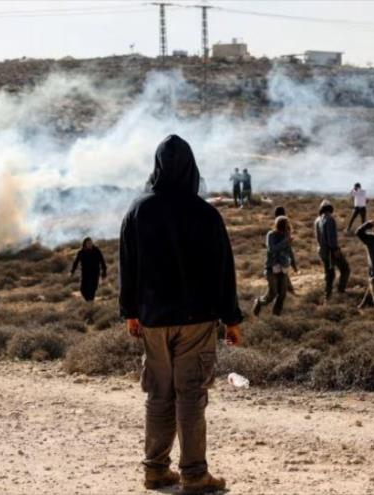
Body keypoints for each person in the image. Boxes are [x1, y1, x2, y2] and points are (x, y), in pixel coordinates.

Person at [119, 135, 242, 493]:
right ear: (191, 167)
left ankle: (155, 470)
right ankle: (194, 475)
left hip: (153, 320)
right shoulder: (205, 214)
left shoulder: (138, 210)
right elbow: (224, 270)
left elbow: (128, 266)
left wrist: (130, 311)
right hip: (197, 320)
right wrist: (231, 318)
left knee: (159, 394)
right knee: (190, 395)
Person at [253, 216, 297, 317]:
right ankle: (259, 302)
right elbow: (272, 249)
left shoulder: (286, 236)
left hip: (283, 268)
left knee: (282, 295)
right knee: (272, 294)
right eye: (285, 226)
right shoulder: (271, 235)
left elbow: (289, 251)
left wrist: (294, 265)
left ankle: (275, 316)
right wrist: (285, 241)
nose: (286, 228)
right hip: (271, 269)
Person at [314, 200, 350, 300]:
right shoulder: (330, 219)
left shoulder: (317, 220)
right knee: (345, 269)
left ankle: (328, 296)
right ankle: (340, 291)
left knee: (329, 274)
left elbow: (317, 238)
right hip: (331, 251)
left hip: (322, 251)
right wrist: (335, 249)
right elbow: (331, 239)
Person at [70, 237, 107, 302]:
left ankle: (90, 303)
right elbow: (76, 262)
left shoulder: (96, 250)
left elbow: (102, 261)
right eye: (88, 243)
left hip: (95, 273)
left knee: (92, 290)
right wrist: (72, 271)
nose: (90, 244)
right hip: (85, 274)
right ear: (85, 244)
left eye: (91, 243)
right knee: (83, 290)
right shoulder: (81, 252)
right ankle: (89, 302)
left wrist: (104, 273)